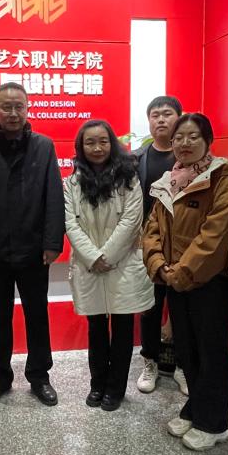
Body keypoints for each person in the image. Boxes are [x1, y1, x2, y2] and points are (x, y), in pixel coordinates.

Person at [0, 82, 65, 407]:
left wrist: (52, 242)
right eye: (6, 107)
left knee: (37, 315)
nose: (13, 113)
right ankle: (0, 377)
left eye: (19, 106)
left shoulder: (44, 147)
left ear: (28, 108)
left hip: (34, 250)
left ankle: (40, 376)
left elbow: (54, 196)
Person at [143, 112, 228, 451]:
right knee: (187, 350)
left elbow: (215, 236)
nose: (184, 143)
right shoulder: (168, 181)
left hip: (209, 283)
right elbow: (152, 229)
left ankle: (214, 423)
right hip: (175, 280)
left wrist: (182, 272)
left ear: (208, 141)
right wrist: (159, 266)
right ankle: (196, 407)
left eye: (193, 136)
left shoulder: (222, 181)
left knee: (212, 352)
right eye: (178, 138)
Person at [65, 120, 155, 411]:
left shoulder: (129, 178)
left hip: (123, 264)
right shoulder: (71, 183)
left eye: (103, 141)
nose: (97, 148)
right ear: (81, 147)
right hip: (89, 265)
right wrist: (93, 257)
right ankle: (97, 384)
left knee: (123, 329)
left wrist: (107, 256)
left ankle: (116, 389)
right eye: (90, 142)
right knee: (96, 328)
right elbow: (70, 224)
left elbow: (131, 220)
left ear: (112, 143)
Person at [131, 95, 187, 396]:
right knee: (149, 307)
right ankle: (150, 361)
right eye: (155, 115)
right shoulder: (137, 158)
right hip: (148, 245)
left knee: (182, 307)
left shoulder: (191, 157)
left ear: (179, 117)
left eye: (167, 114)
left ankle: (182, 365)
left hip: (184, 246)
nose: (161, 119)